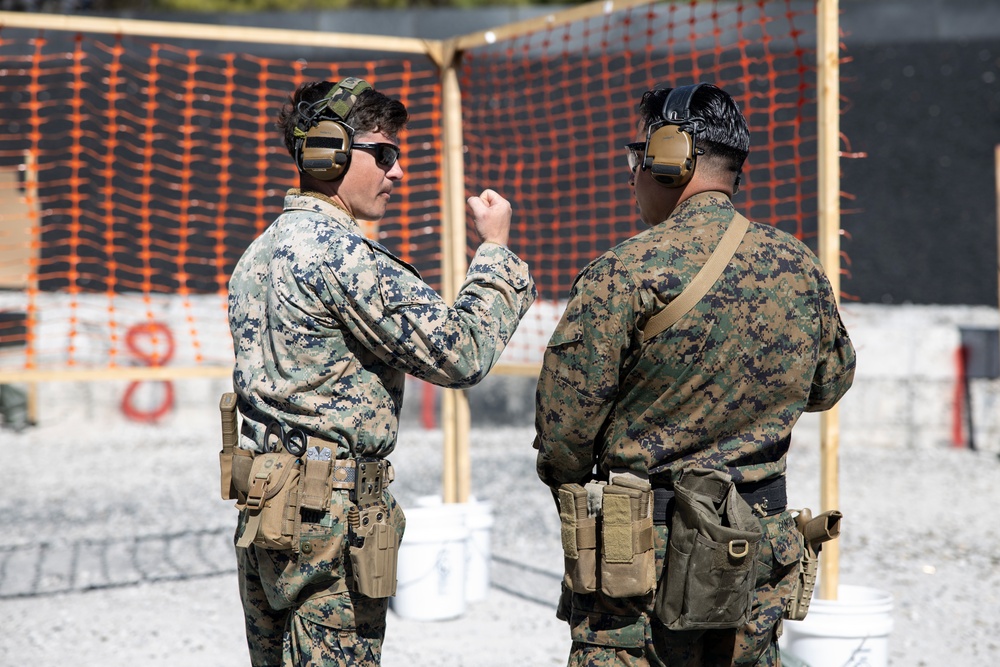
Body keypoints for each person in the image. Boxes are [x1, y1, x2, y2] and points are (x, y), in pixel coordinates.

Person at [533, 82, 856, 666]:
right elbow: (829, 385)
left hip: (642, 562)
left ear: (668, 157)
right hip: (754, 550)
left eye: (637, 157)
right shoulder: (799, 265)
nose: (632, 174)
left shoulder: (621, 273)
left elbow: (564, 439)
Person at [226, 77, 535, 666]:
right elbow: (462, 352)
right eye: (384, 154)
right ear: (328, 151)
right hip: (329, 518)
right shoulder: (340, 254)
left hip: (265, 504)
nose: (397, 173)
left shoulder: (258, 252)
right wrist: (495, 251)